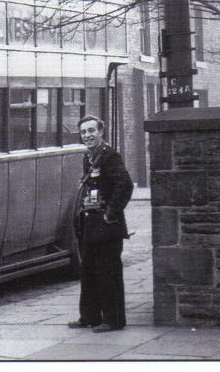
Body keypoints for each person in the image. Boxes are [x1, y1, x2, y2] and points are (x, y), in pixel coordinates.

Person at [68, 115, 134, 333]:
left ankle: (113, 320)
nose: (87, 135)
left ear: (101, 132)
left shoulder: (109, 156)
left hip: (107, 226)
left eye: (91, 131)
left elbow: (124, 185)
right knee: (88, 272)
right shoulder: (89, 158)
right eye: (83, 132)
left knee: (108, 274)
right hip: (90, 225)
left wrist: (111, 211)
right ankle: (89, 316)